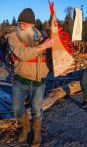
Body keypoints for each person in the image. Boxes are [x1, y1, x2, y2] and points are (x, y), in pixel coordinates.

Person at [7, 8, 55, 147]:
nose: (21, 25)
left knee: (36, 110)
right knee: (16, 109)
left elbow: (51, 57)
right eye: (20, 22)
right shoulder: (13, 37)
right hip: (20, 79)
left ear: (32, 24)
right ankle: (25, 128)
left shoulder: (43, 37)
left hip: (38, 80)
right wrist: (42, 46)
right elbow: (22, 54)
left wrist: (58, 68)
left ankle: (36, 133)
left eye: (25, 23)